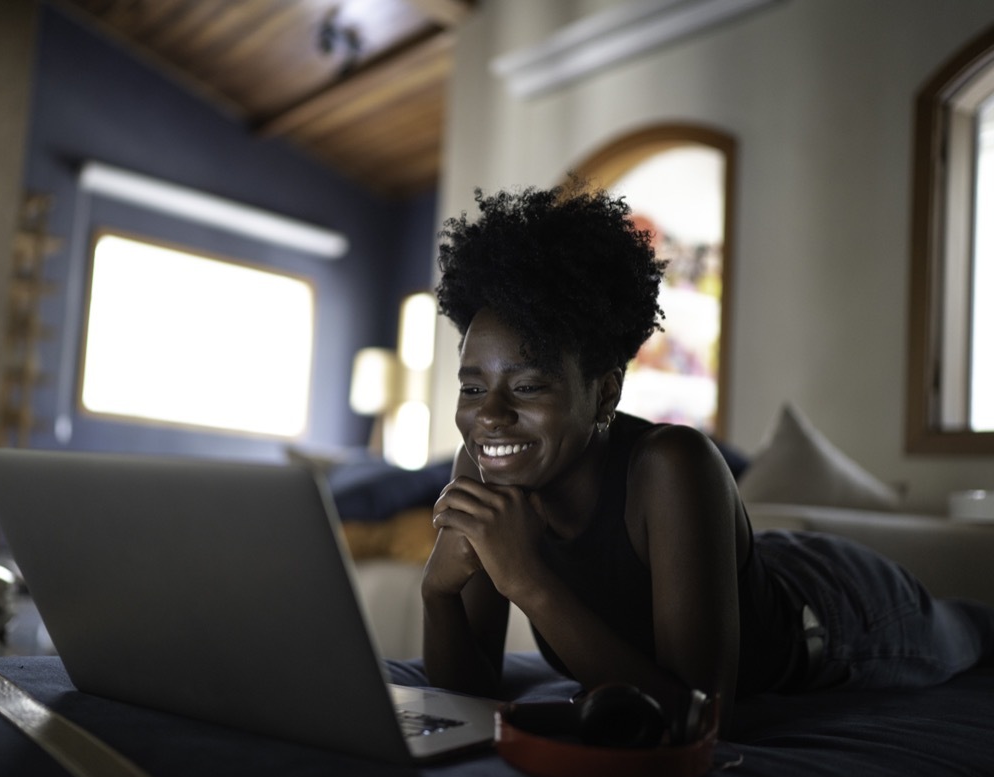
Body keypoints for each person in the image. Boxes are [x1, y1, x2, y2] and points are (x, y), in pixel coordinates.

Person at [421, 182, 994, 733]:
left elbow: (700, 718)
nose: (490, 416)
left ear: (604, 391)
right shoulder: (486, 468)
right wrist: (438, 592)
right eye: (472, 388)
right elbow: (466, 695)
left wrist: (527, 580)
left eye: (527, 387)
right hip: (747, 568)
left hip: (842, 612)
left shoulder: (671, 464)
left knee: (974, 630)